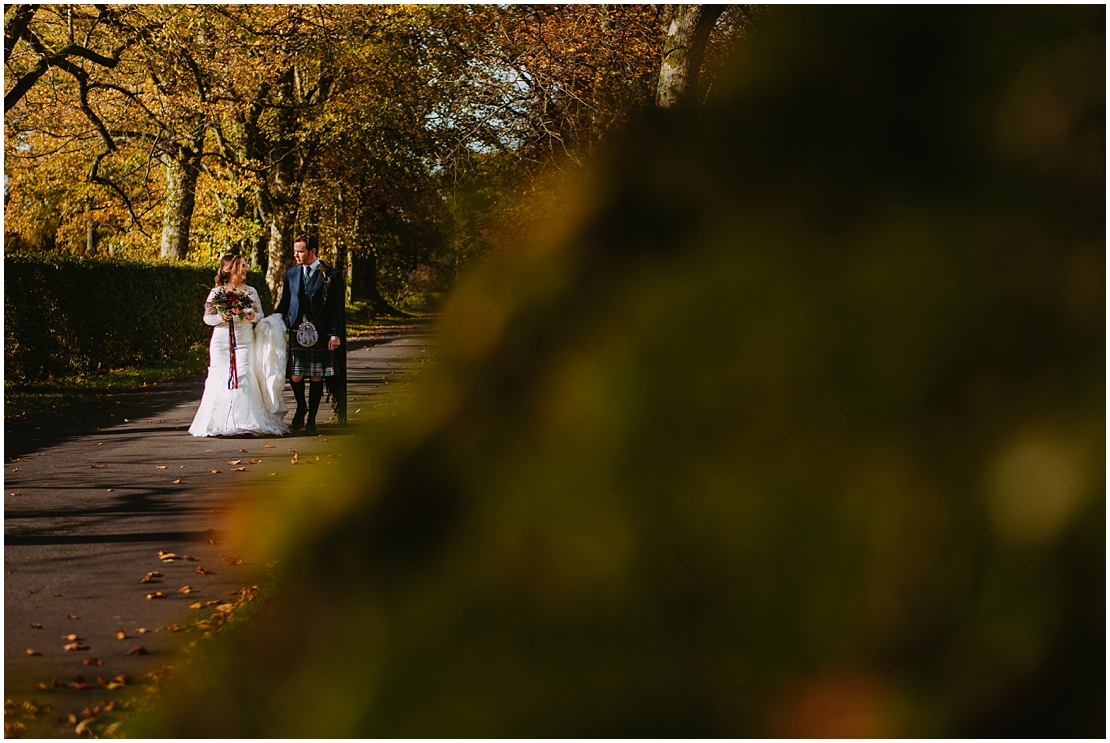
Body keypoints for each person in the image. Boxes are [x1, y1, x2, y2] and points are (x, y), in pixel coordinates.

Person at [188, 255, 290, 437]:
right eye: (242, 266)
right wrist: (221, 317)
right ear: (230, 268)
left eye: (245, 265)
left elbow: (260, 314)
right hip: (221, 342)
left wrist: (252, 316)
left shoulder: (251, 291)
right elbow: (207, 317)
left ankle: (244, 422)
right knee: (220, 377)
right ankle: (220, 421)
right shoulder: (216, 292)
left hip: (244, 341)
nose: (245, 269)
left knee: (242, 376)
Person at [275, 234, 346, 435]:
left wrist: (335, 334)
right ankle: (301, 407)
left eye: (300, 251)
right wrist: (273, 321)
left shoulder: (330, 274)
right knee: (296, 375)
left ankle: (312, 420)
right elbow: (285, 301)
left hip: (321, 331)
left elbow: (336, 308)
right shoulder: (291, 273)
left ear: (312, 251)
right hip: (297, 330)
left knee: (316, 377)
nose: (295, 254)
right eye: (295, 250)